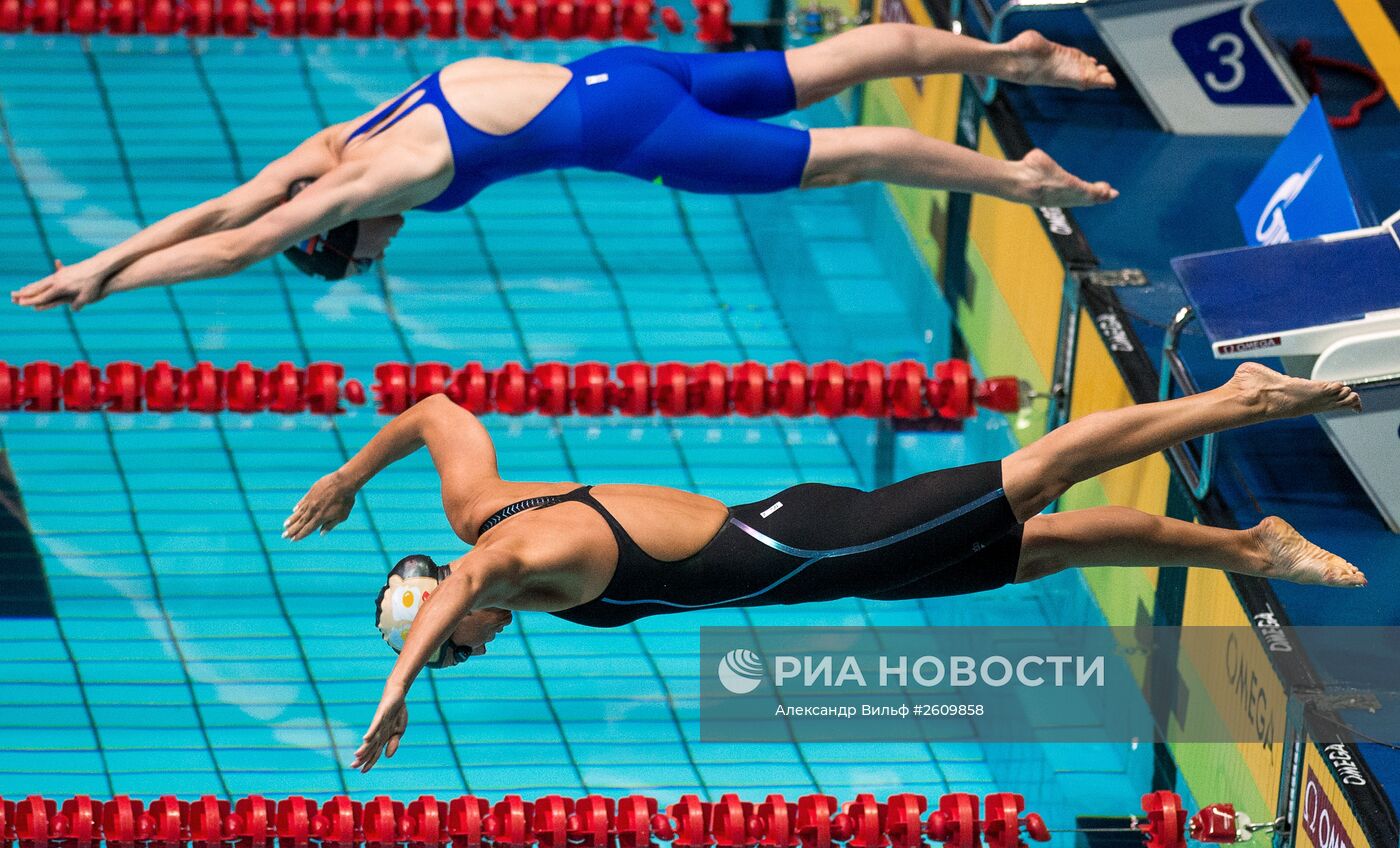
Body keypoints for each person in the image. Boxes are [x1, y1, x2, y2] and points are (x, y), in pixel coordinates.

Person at [280, 362, 1363, 772]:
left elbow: (462, 588)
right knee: (1035, 546)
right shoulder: (478, 507)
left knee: (1028, 479)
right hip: (818, 556)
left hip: (814, 543)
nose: (470, 654)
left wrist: (396, 689)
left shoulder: (502, 561)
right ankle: (1245, 545)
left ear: (437, 615)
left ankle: (1236, 399)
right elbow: (433, 409)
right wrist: (348, 475)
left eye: (452, 655)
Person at [11, 25, 1118, 310]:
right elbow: (222, 204)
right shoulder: (327, 149)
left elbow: (237, 245)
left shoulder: (367, 181)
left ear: (340, 228)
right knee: (813, 70)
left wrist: (99, 284)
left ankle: (1014, 178)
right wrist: (95, 255)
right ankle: (1012, 55)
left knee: (839, 160)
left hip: (629, 133)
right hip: (613, 71)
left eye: (363, 258)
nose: (382, 251)